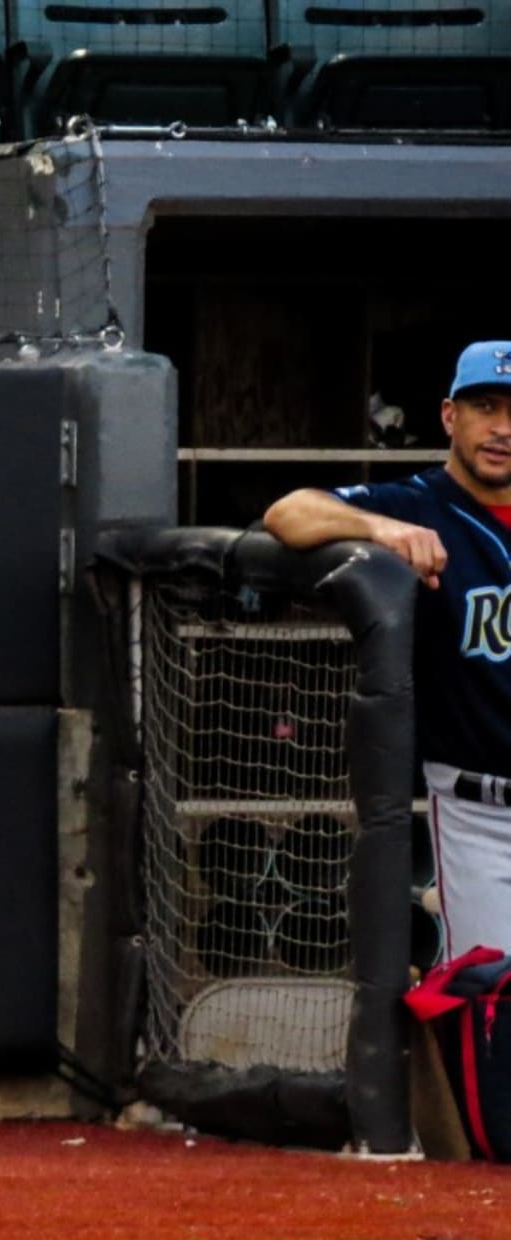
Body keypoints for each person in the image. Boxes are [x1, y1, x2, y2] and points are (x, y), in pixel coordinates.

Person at [263, 339, 511, 958]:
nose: (503, 428)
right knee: (490, 1001)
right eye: (486, 406)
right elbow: (288, 514)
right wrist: (380, 529)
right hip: (481, 812)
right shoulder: (414, 504)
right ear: (451, 416)